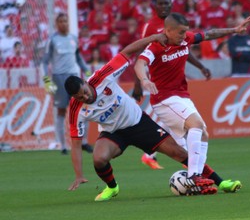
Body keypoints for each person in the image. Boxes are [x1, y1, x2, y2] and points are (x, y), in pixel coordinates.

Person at [64, 33, 218, 201]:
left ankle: (219, 181)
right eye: (80, 97)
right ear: (73, 98)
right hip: (114, 133)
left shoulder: (103, 76)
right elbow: (76, 144)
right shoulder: (75, 109)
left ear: (85, 82)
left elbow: (127, 51)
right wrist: (78, 175)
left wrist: (153, 38)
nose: (85, 98)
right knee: (99, 159)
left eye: (85, 93)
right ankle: (112, 188)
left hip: (138, 122)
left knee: (178, 152)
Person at [134, 13, 250, 192]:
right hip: (164, 99)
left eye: (185, 32)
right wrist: (144, 80)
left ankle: (201, 178)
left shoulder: (185, 39)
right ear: (168, 31)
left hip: (181, 96)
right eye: (180, 33)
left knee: (203, 133)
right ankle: (193, 176)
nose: (184, 36)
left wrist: (234, 30)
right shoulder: (156, 46)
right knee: (195, 125)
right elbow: (139, 64)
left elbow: (210, 34)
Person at [133, 0, 211, 170]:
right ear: (155, 5)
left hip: (177, 89)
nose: (164, 6)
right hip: (158, 85)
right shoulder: (151, 26)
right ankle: (193, 171)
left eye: (167, 3)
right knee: (180, 122)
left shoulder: (178, 25)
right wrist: (139, 83)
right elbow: (141, 53)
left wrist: (200, 66)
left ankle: (154, 155)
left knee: (180, 124)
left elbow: (184, 47)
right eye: (161, 4)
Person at [42, 13, 93, 155]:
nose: (63, 23)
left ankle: (84, 142)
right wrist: (46, 80)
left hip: (74, 76)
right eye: (60, 21)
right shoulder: (52, 40)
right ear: (56, 24)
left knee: (83, 107)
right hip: (59, 77)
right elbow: (45, 61)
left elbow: (78, 57)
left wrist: (87, 71)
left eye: (65, 21)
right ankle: (62, 145)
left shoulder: (73, 39)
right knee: (61, 110)